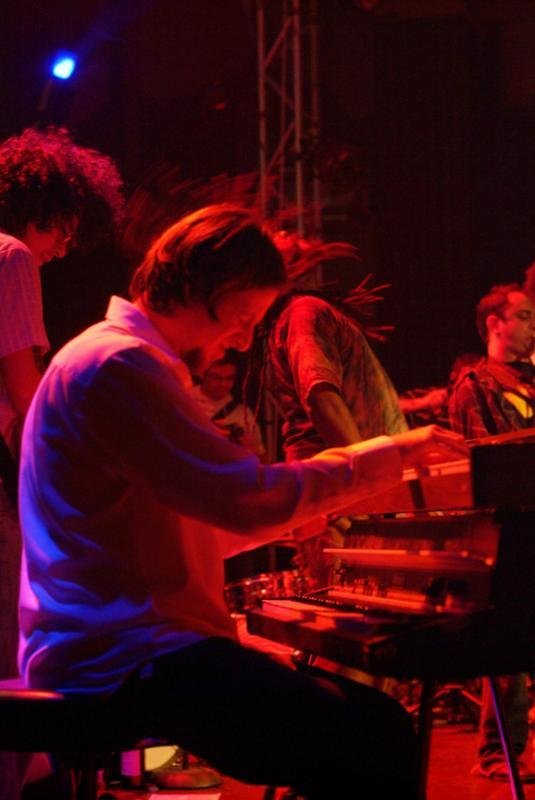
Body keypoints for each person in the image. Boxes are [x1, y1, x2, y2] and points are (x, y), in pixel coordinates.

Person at [18, 204, 467, 800]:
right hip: (126, 657)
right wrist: (393, 452)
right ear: (211, 291)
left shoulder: (113, 359)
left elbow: (196, 523)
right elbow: (248, 500)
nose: (246, 339)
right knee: (375, 736)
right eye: (246, 316)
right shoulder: (119, 365)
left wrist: (309, 515)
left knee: (368, 722)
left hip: (117, 646)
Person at [448, 282, 535, 782]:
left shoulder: (529, 382)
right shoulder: (475, 385)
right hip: (507, 530)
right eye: (523, 316)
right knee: (509, 644)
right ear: (494, 324)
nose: (532, 325)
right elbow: (486, 461)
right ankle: (497, 751)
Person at [189, 355, 266, 458]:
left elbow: (261, 456)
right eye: (216, 377)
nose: (223, 384)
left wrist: (249, 449)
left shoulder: (243, 413)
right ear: (202, 375)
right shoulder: (185, 401)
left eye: (229, 378)